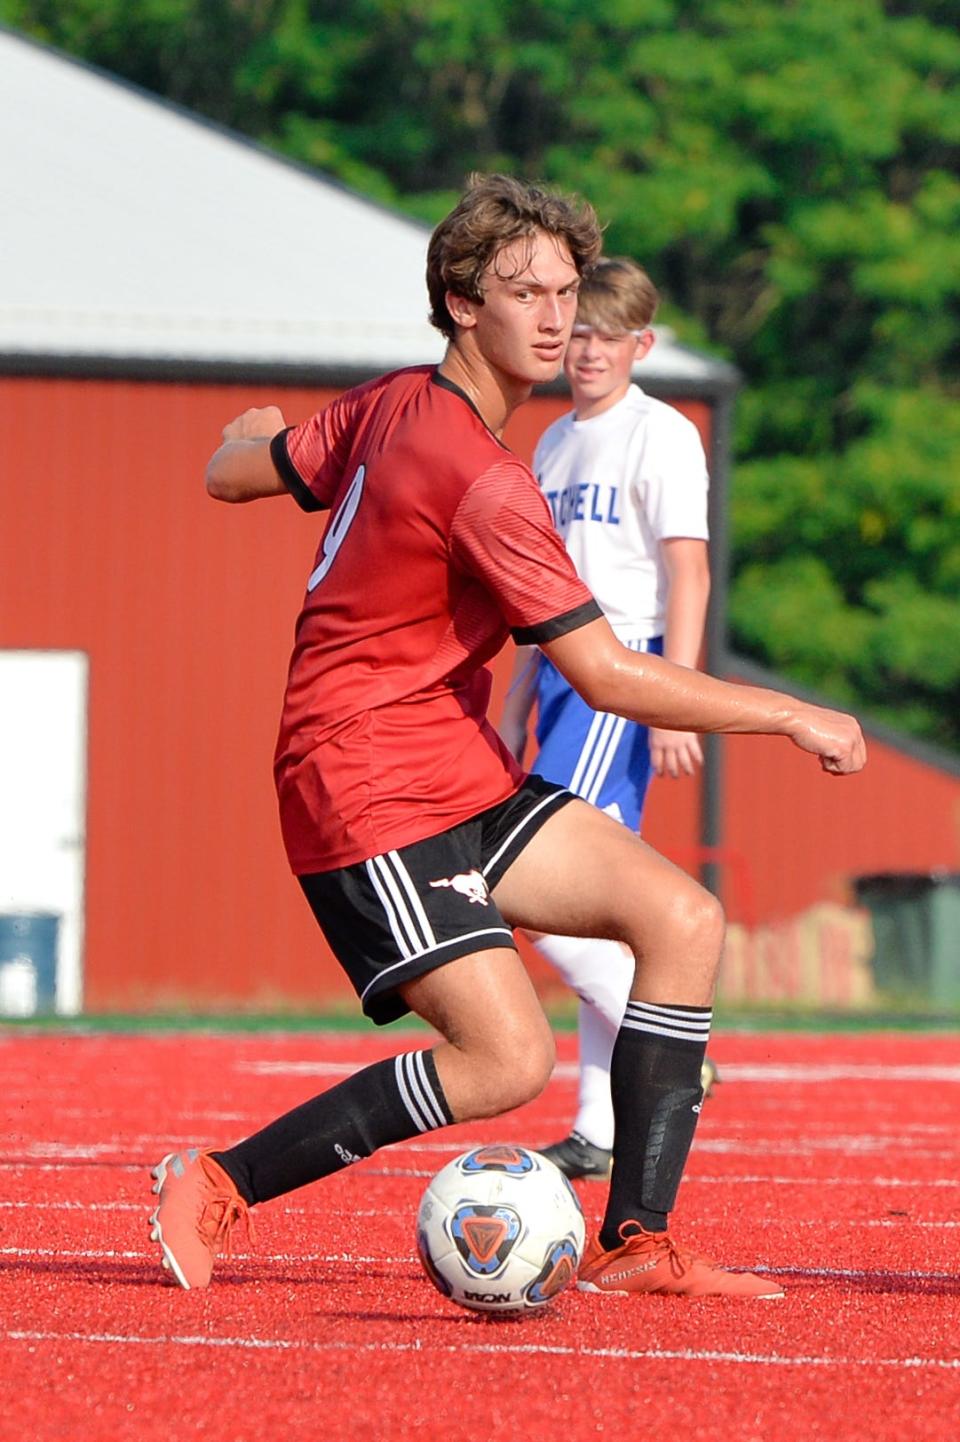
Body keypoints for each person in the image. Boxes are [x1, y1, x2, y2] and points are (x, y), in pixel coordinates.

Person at [148, 173, 865, 1299]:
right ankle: (219, 1179)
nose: (552, 314)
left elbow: (237, 472)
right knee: (507, 1061)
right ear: (458, 301)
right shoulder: (482, 477)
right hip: (362, 780)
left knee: (681, 916)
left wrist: (248, 439)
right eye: (522, 289)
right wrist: (790, 711)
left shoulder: (391, 405)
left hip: (452, 765)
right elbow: (605, 673)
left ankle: (638, 1240)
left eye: (567, 291)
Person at [499, 257, 715, 1182]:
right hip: (559, 681)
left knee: (539, 892)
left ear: (643, 344)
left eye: (606, 336)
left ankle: (676, 1046)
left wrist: (677, 697)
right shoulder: (550, 442)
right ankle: (601, 1126)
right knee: (599, 906)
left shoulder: (658, 434)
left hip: (622, 676)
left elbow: (688, 573)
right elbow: (534, 591)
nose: (587, 350)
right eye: (576, 333)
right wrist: (515, 702)